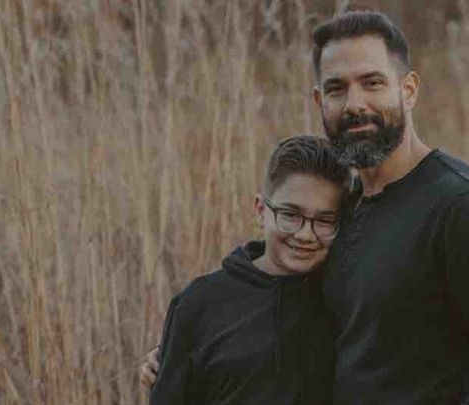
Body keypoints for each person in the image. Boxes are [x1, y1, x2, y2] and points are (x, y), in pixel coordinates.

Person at [142, 10, 469, 405]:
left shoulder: (461, 206)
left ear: (408, 90)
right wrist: (190, 345)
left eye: (372, 83)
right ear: (320, 101)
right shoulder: (345, 207)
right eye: (337, 88)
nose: (355, 103)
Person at [147, 135, 349, 405]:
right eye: (290, 215)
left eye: (324, 220)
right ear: (261, 210)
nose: (305, 234)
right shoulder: (199, 305)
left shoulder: (346, 299)